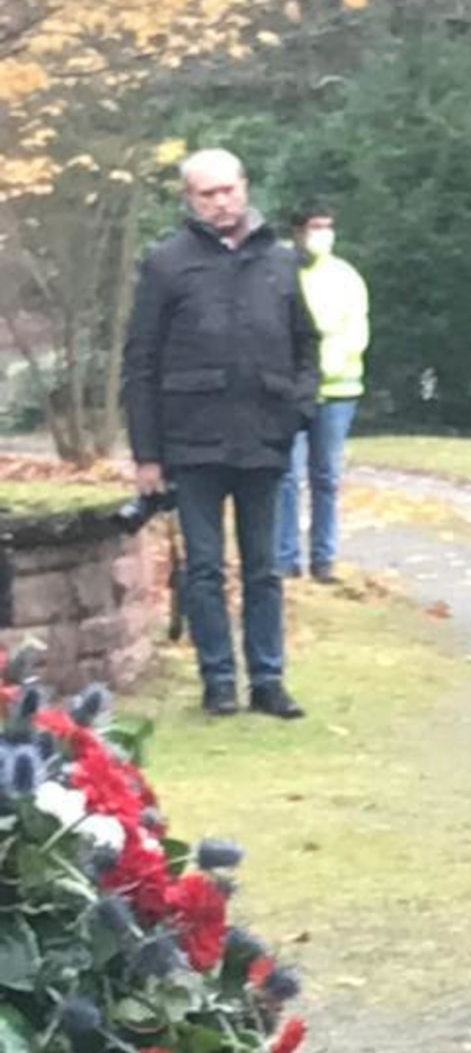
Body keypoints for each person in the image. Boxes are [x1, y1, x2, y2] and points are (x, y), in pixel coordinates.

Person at [123, 149, 317, 719]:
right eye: (208, 194)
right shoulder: (166, 264)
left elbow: (307, 344)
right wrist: (147, 455)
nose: (222, 201)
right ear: (190, 199)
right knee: (204, 568)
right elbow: (141, 363)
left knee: (264, 568)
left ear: (245, 187)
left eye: (228, 190)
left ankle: (268, 679)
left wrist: (299, 409)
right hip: (194, 440)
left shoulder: (281, 261)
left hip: (265, 436)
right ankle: (219, 680)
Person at [276, 205, 370, 583]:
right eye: (316, 227)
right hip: (289, 393)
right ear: (298, 231)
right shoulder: (281, 271)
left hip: (338, 392)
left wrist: (321, 372)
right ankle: (285, 558)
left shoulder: (346, 277)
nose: (323, 234)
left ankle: (324, 558)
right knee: (286, 477)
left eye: (328, 227)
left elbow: (354, 333)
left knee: (326, 477)